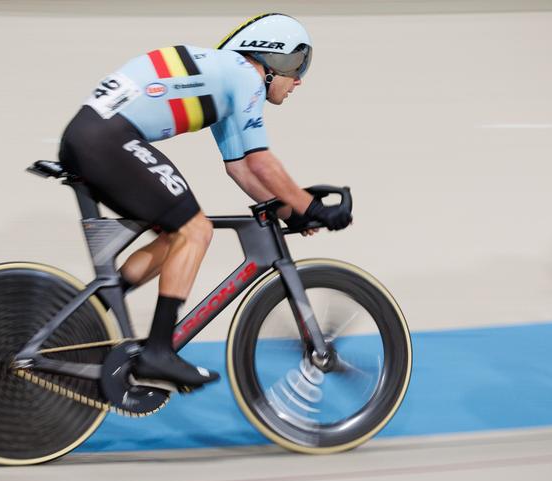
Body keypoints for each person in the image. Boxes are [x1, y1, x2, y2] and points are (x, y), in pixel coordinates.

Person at [58, 13, 352, 390]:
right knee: (196, 230)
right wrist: (311, 207)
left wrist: (288, 211)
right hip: (107, 138)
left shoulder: (225, 80)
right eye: (297, 63)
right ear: (271, 57)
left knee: (174, 238)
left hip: (94, 136)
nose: (299, 79)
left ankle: (82, 322)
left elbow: (242, 170)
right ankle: (157, 354)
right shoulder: (244, 76)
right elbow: (262, 162)